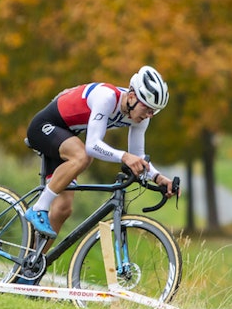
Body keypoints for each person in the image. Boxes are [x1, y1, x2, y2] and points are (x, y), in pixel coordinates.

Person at [24, 65, 178, 243]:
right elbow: (92, 145)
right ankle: (38, 208)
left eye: (154, 111)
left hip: (65, 137)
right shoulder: (107, 97)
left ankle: (33, 259)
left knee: (63, 209)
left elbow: (138, 156)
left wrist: (158, 177)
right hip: (44, 127)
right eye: (148, 108)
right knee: (82, 157)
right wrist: (123, 156)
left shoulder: (140, 117)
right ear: (132, 96)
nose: (150, 115)